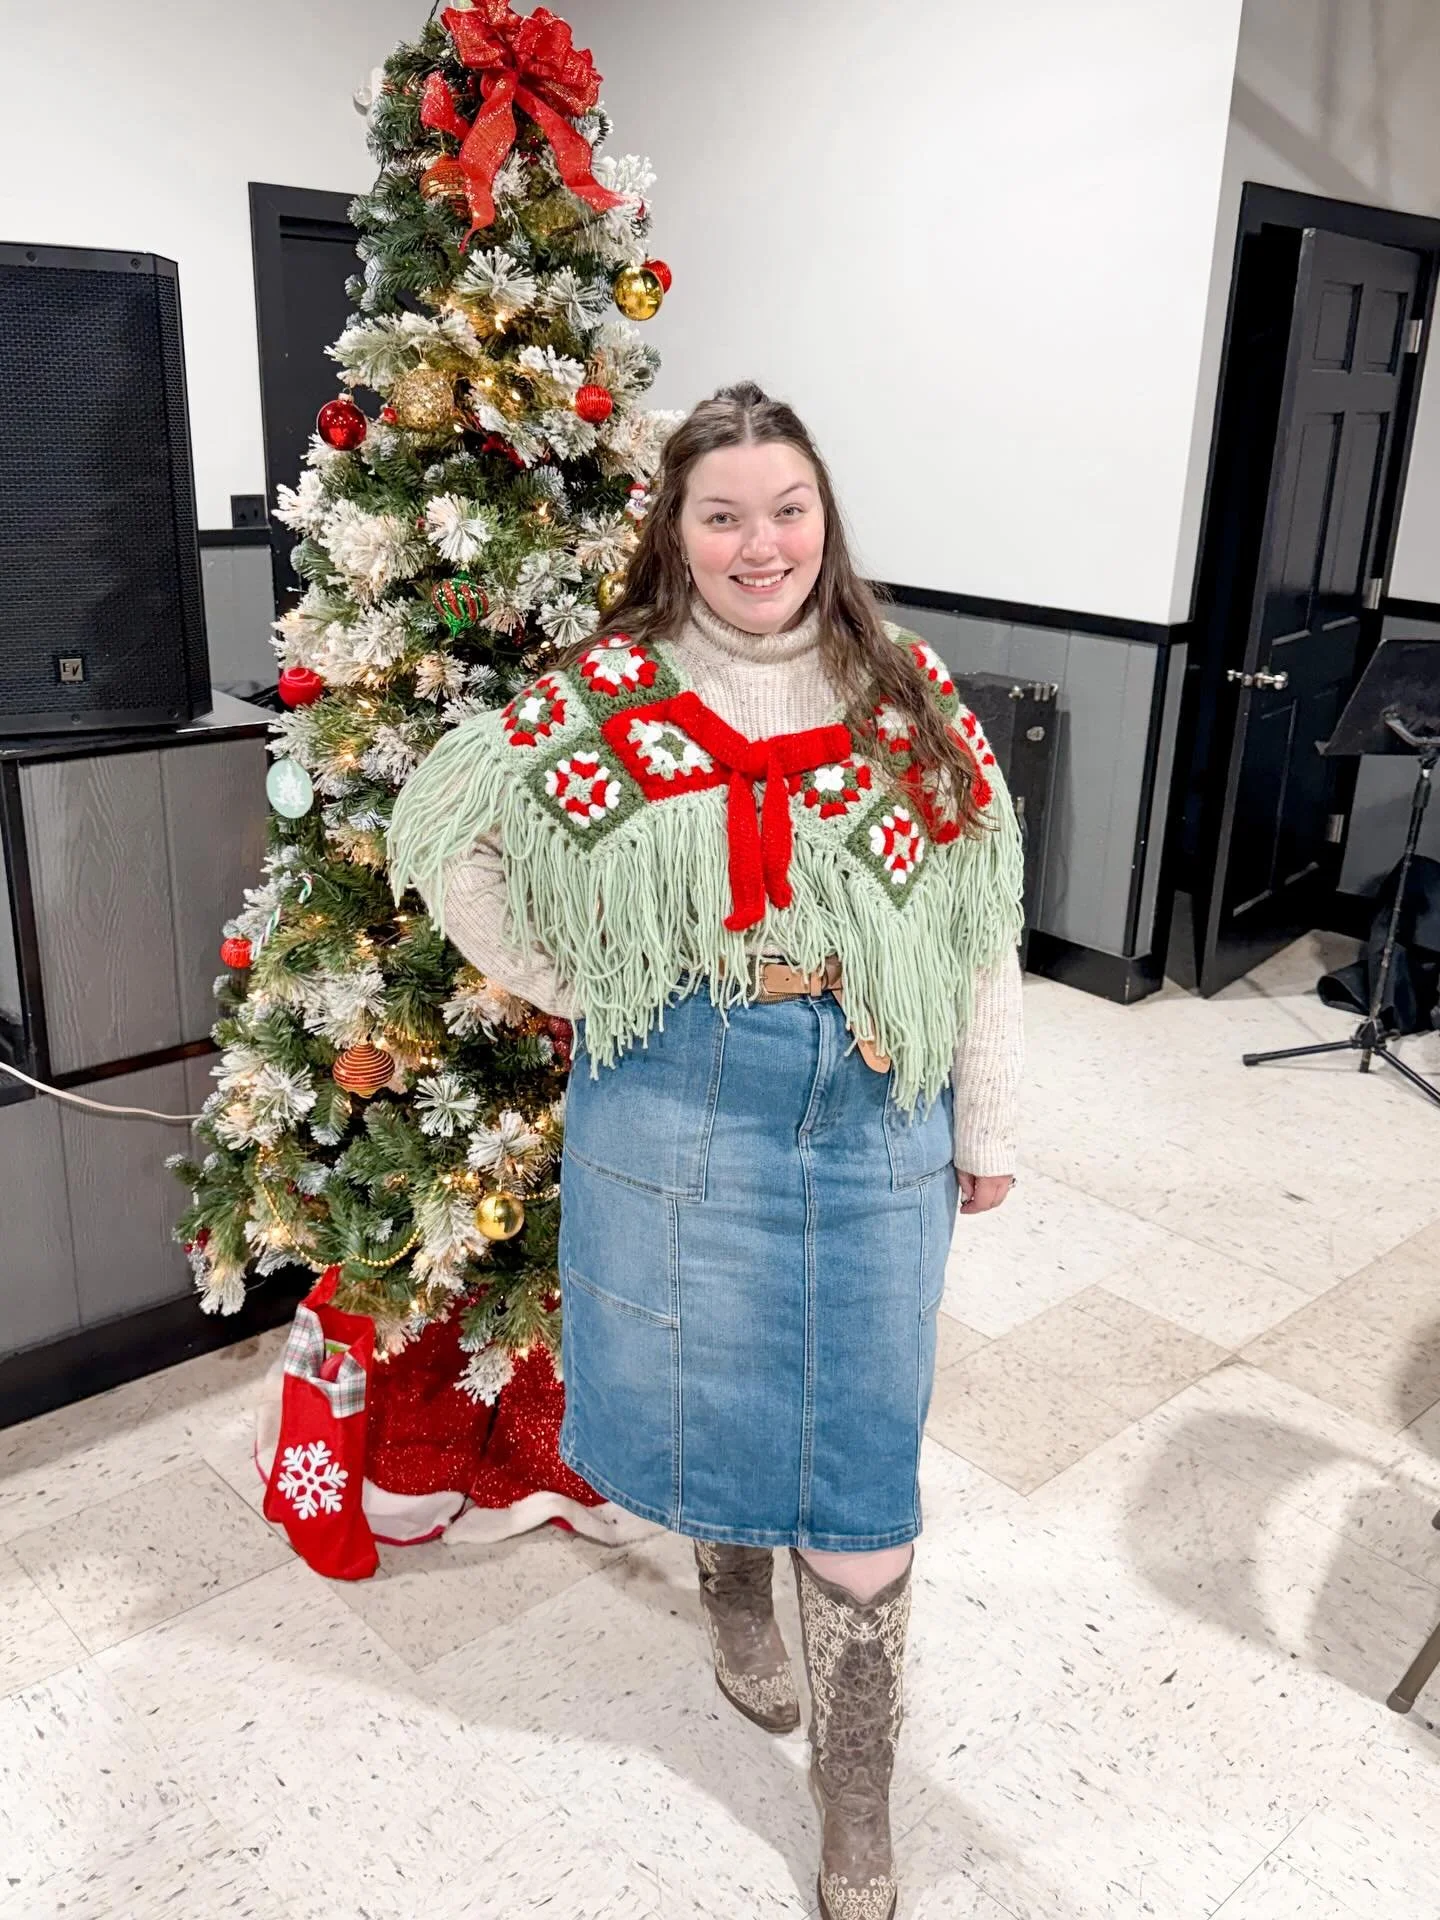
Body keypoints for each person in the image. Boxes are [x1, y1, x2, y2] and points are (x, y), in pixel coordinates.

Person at [388, 381, 1025, 1920]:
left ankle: (856, 1803)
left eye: (787, 508)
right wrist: (594, 970)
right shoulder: (602, 691)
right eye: (724, 513)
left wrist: (987, 1115)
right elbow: (457, 836)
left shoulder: (904, 691)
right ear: (676, 529)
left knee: (865, 1441)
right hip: (673, 1088)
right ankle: (734, 1591)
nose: (762, 543)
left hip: (872, 1087)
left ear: (826, 518)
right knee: (708, 1373)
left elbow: (976, 916)